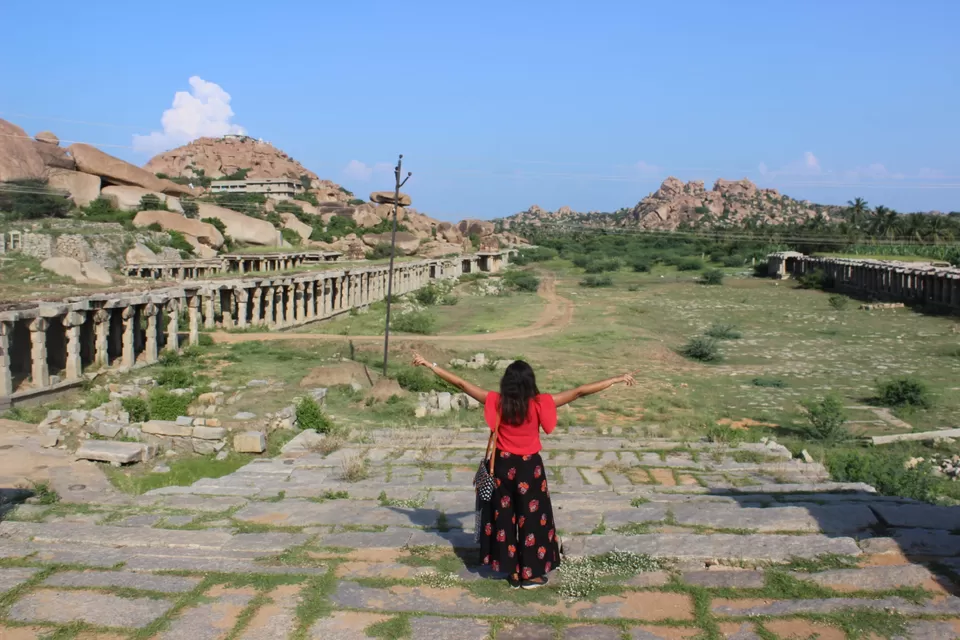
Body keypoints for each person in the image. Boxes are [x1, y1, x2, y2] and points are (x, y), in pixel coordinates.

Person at [412, 353, 635, 589]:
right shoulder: (540, 403)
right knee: (532, 520)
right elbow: (579, 392)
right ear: (530, 382)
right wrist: (616, 379)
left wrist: (430, 365)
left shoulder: (497, 401)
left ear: (506, 382)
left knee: (504, 518)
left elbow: (461, 384)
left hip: (503, 466)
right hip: (530, 469)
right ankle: (530, 574)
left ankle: (512, 572)